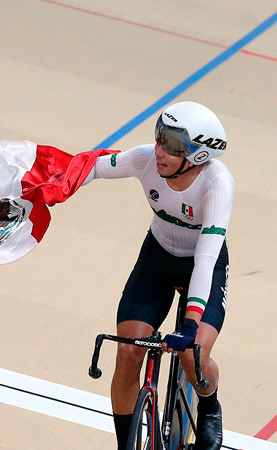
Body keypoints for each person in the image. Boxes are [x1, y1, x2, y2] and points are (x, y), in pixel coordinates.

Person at [87, 101, 233, 449]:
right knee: (127, 354)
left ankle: (209, 406)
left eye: (172, 146)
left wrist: (190, 323)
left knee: (192, 355)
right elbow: (86, 168)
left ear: (197, 156)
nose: (159, 150)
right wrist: (39, 184)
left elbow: (206, 258)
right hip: (157, 258)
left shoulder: (218, 183)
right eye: (159, 137)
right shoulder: (145, 160)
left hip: (202, 264)